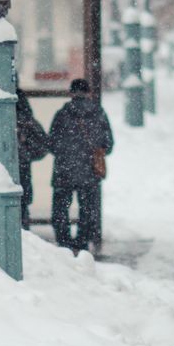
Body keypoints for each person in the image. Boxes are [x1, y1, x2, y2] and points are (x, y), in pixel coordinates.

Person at [47, 78, 113, 255]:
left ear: (71, 93)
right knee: (88, 209)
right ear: (88, 92)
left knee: (61, 208)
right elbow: (108, 144)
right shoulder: (98, 114)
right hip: (89, 172)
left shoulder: (62, 114)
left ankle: (64, 243)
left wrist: (66, 154)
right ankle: (82, 243)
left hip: (64, 171)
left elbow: (52, 143)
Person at [14, 86, 50, 230]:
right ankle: (24, 238)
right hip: (22, 174)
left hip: (4, 174)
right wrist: (25, 154)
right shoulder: (27, 120)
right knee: (22, 210)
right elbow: (43, 146)